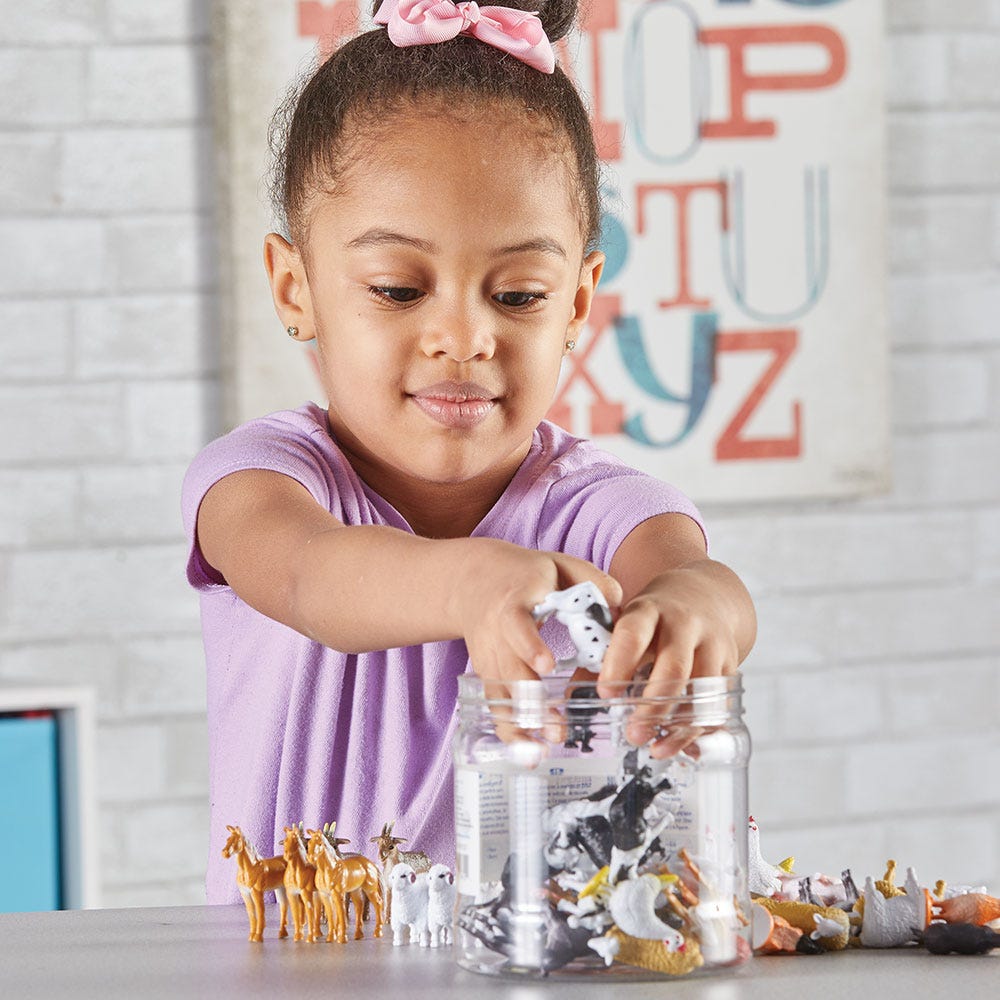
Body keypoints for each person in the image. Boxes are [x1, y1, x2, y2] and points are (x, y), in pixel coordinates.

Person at [183, 0, 756, 904]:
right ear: (296, 288)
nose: (463, 337)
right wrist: (472, 585)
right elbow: (312, 578)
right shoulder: (260, 483)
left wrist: (695, 612)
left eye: (519, 294)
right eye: (398, 289)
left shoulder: (602, 506)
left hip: (547, 959)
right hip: (292, 968)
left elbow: (695, 579)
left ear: (577, 302)